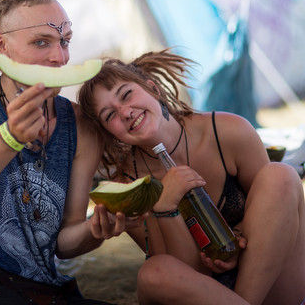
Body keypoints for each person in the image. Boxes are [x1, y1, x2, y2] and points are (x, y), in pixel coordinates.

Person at [0, 0, 142, 305]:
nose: (59, 57)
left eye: (64, 41)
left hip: (42, 289)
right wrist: (8, 138)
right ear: (2, 45)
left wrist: (95, 230)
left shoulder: (80, 126)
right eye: (41, 42)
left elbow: (65, 243)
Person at [78, 48, 305, 305]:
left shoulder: (228, 131)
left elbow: (276, 218)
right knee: (153, 272)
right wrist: (165, 207)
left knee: (281, 176)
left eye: (126, 94)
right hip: (204, 294)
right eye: (110, 115)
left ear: (154, 89)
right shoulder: (129, 189)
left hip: (268, 281)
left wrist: (236, 239)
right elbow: (186, 274)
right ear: (110, 134)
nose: (125, 112)